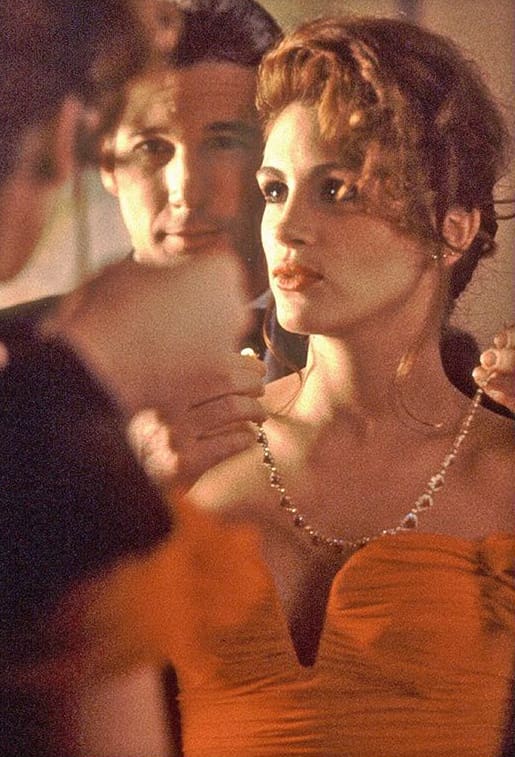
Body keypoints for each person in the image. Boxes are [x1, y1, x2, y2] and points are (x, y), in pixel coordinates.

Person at [183, 16, 515, 756]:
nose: (286, 229)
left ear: (452, 227)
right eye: (274, 190)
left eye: (335, 189)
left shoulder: (505, 469)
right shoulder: (206, 439)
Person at [0, 1, 266, 754]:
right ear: (91, 156)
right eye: (151, 146)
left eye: (227, 142)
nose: (186, 189)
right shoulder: (32, 371)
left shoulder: (439, 381)